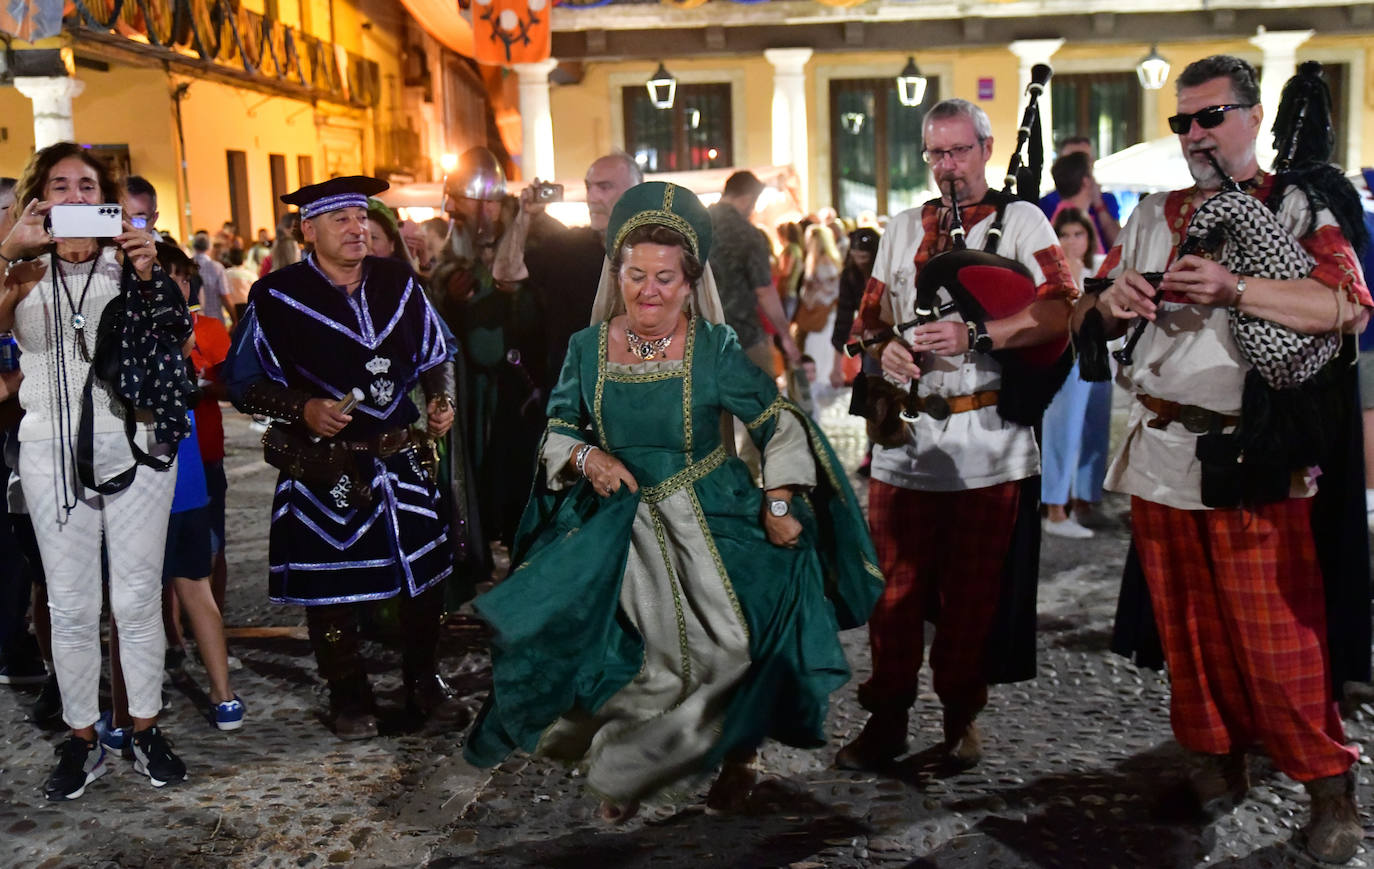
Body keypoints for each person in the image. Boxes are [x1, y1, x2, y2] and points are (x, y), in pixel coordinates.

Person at [463, 181, 883, 822]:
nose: (648, 291)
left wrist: (776, 502)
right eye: (635, 275)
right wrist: (587, 457)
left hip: (712, 515)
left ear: (690, 285)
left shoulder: (712, 348)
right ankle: (626, 773)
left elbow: (778, 420)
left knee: (734, 650)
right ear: (617, 274)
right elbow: (558, 430)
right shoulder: (588, 349)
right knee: (624, 662)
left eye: (664, 278)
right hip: (614, 528)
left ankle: (737, 757)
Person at [1072, 55, 1370, 864]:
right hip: (1160, 448)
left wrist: (1237, 289)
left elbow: (1346, 308)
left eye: (1212, 116)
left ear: (1252, 114)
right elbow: (1095, 311)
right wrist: (1110, 303)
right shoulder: (1155, 213)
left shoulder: (1299, 206)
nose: (1196, 134)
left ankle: (1327, 785)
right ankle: (1214, 762)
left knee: (1279, 636)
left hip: (1252, 452)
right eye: (1183, 120)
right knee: (1191, 634)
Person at [837, 98, 1075, 772]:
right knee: (892, 595)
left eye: (960, 151)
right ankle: (886, 719)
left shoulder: (1023, 220)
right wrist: (880, 351)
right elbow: (867, 321)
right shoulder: (903, 225)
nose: (949, 166)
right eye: (937, 153)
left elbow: (1061, 310)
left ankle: (960, 720)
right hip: (904, 446)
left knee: (972, 598)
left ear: (986, 149)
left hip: (990, 445)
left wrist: (980, 333)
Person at [225, 175, 462, 740]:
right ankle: (348, 695)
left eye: (361, 216)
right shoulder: (277, 296)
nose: (357, 228)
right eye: (341, 219)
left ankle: (423, 684)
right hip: (328, 464)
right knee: (333, 589)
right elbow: (243, 381)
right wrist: (302, 407)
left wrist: (440, 397)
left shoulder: (399, 282)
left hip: (400, 458)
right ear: (308, 230)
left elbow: (437, 350)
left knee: (424, 582)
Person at [0, 142, 193, 798]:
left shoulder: (143, 258)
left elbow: (182, 341)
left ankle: (143, 725)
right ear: (39, 199)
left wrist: (148, 272)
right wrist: (5, 248)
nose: (75, 197)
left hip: (136, 445)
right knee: (71, 602)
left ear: (105, 198)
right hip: (51, 452)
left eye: (87, 186)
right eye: (59, 186)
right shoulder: (19, 273)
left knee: (138, 596)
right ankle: (82, 736)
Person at [429, 147, 543, 551]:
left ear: (486, 204)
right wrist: (452, 296)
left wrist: (499, 297)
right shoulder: (456, 251)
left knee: (515, 477)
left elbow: (534, 308)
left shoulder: (530, 236)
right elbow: (442, 302)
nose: (454, 213)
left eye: (461, 204)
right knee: (476, 472)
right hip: (473, 384)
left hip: (519, 386)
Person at [492, 150, 642, 394]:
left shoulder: (659, 253)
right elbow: (505, 273)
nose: (592, 197)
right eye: (589, 187)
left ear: (636, 192)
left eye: (604, 187)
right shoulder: (567, 247)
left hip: (636, 397)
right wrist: (525, 216)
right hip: (572, 399)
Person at [1041, 209, 1112, 538]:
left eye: (1078, 234)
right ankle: (1055, 508)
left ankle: (1086, 500)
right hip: (1064, 359)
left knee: (1095, 430)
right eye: (1065, 234)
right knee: (1062, 432)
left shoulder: (1099, 268)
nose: (1072, 241)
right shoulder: (1051, 273)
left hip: (1099, 359)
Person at [708, 171, 800, 376]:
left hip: (701, 339)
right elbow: (764, 291)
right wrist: (785, 335)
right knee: (760, 404)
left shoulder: (694, 227)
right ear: (748, 199)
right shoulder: (748, 234)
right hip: (744, 336)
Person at [1038, 136, 1120, 250]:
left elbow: (1119, 246)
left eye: (1084, 159)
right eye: (1073, 160)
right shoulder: (1045, 204)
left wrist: (1099, 205)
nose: (1078, 165)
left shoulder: (1107, 200)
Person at [793, 223, 843, 390]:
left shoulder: (823, 262)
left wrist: (813, 297)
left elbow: (831, 291)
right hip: (823, 317)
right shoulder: (824, 260)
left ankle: (819, 389)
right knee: (818, 353)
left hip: (823, 317)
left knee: (817, 353)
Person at [192, 231, 230, 325]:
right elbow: (224, 295)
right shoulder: (217, 267)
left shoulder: (187, 265)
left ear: (194, 246)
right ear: (210, 247)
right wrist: (234, 318)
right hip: (215, 317)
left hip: (195, 319)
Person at [774, 221, 804, 319]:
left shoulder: (790, 248)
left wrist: (772, 269)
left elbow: (786, 271)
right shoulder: (797, 248)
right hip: (792, 290)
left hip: (786, 290)